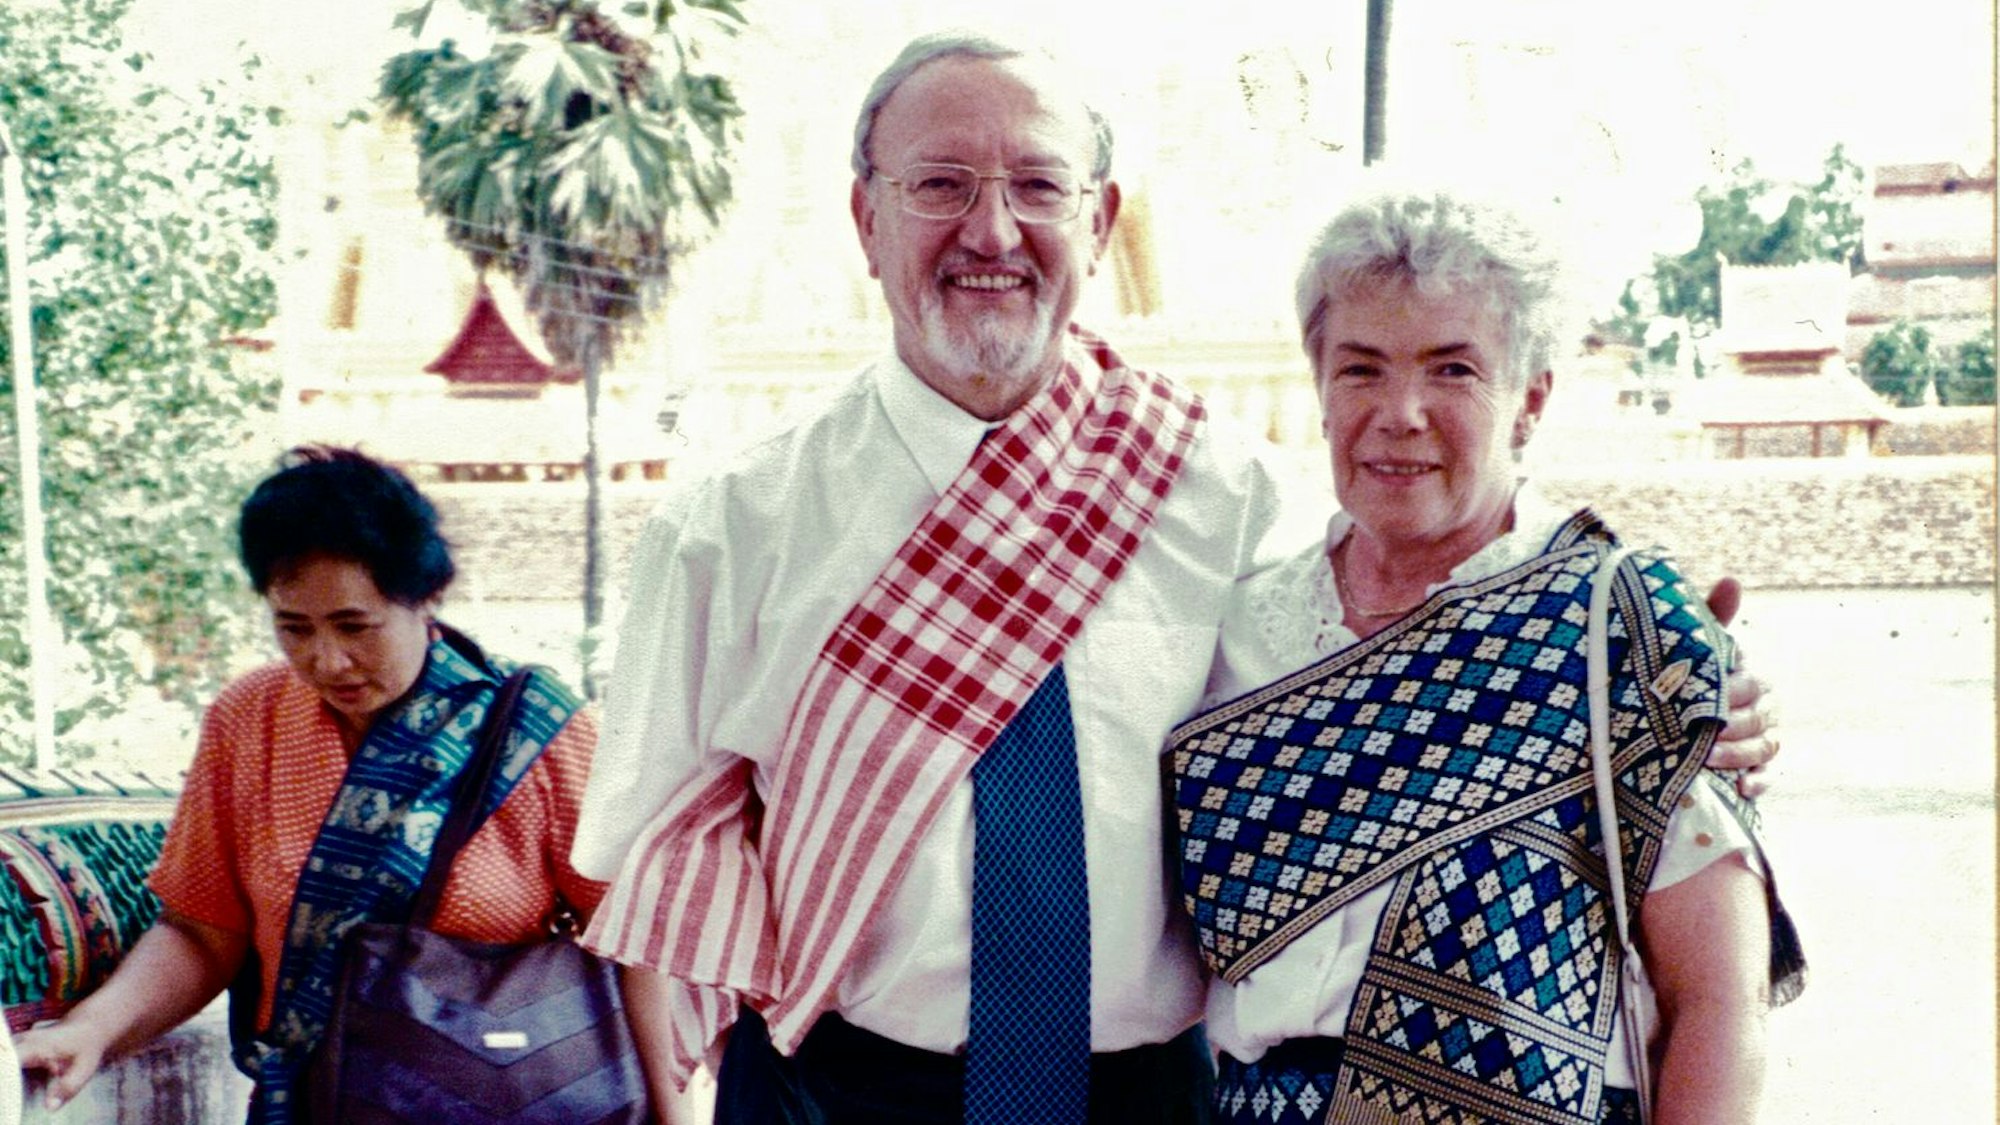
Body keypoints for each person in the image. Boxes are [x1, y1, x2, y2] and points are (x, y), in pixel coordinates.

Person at [570, 32, 1782, 1125]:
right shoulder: (732, 527)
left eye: (1037, 187)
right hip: (830, 1090)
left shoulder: (1228, 494)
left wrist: (1679, 697)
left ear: (1099, 223)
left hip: (1156, 1100)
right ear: (863, 216)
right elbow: (646, 850)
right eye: (940, 184)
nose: (991, 233)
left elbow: (1435, 598)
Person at [1171, 186, 1806, 1125]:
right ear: (1320, 389)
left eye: (1453, 369)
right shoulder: (1238, 632)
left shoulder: (1617, 625)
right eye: (1361, 369)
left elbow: (1718, 998)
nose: (1401, 412)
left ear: (1529, 399)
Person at [15, 446, 611, 1122]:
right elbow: (203, 932)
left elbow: (635, 942)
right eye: (294, 628)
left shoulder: (536, 731)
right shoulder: (251, 721)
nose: (328, 660)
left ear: (425, 600)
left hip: (509, 1101)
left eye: (356, 626)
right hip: (315, 1103)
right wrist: (90, 1030)